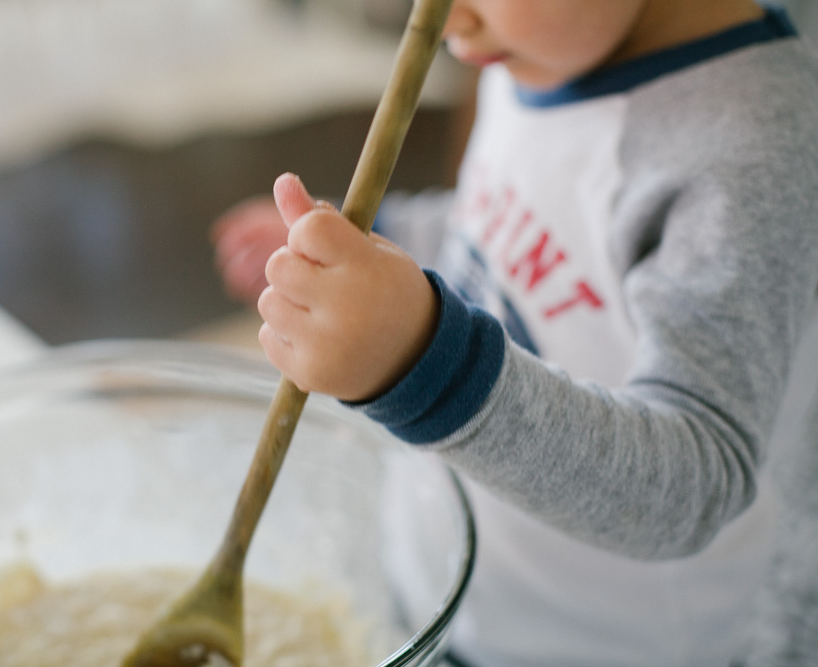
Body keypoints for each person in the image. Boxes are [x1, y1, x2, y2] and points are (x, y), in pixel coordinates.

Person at [210, 1, 818, 665]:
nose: (441, 20)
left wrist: (421, 360)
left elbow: (697, 485)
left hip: (591, 643)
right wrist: (378, 251)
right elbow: (507, 235)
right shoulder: (533, 52)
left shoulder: (751, 148)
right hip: (461, 590)